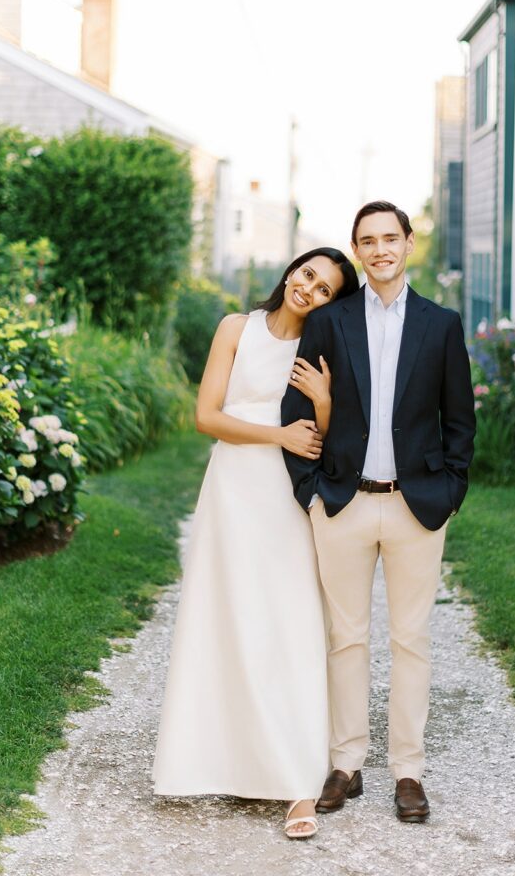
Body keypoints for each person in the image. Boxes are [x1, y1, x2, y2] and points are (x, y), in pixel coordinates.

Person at [152, 247, 359, 840]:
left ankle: (298, 784)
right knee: (223, 619)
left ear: (332, 303)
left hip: (287, 497)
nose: (310, 290)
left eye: (325, 290)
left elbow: (331, 436)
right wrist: (277, 434)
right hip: (231, 491)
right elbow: (206, 416)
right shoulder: (235, 327)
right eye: (308, 275)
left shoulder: (322, 350)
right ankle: (213, 761)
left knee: (290, 625)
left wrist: (322, 401)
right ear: (293, 270)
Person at [281, 201, 475, 824]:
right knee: (347, 638)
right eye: (368, 241)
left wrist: (448, 495)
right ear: (357, 250)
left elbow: (459, 423)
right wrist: (310, 488)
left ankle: (409, 772)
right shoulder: (330, 321)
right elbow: (298, 407)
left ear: (408, 244)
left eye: (390, 238)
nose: (380, 249)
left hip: (417, 506)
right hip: (342, 503)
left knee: (411, 639)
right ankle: (346, 763)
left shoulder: (441, 325)